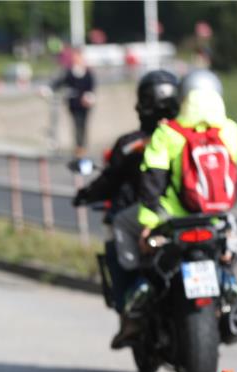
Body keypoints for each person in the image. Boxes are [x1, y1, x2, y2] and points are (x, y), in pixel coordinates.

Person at [111, 69, 237, 348]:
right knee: (228, 246)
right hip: (214, 215)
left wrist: (148, 224)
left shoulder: (168, 133)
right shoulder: (230, 130)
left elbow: (152, 183)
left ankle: (135, 294)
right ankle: (231, 287)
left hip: (174, 219)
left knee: (124, 225)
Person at [74, 70, 180, 327]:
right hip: (186, 214)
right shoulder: (188, 137)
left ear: (142, 103)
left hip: (146, 215)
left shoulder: (131, 144)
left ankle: (128, 308)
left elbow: (109, 180)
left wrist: (85, 195)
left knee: (115, 231)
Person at [50, 49, 96, 158]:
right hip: (74, 104)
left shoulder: (88, 73)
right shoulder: (70, 72)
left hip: (85, 104)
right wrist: (49, 88)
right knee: (76, 124)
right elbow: (59, 83)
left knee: (83, 125)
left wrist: (89, 97)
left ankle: (82, 145)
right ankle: (78, 146)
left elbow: (91, 88)